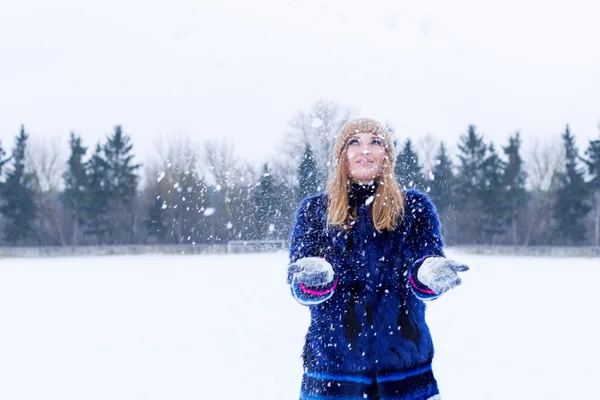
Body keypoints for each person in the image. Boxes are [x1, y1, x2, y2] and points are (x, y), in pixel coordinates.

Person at [287, 118, 469, 400]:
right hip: (333, 376)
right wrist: (314, 280)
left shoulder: (415, 209)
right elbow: (299, 287)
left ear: (387, 156)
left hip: (406, 374)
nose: (365, 150)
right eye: (354, 142)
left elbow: (424, 264)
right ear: (342, 156)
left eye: (376, 142)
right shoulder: (314, 211)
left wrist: (428, 274)